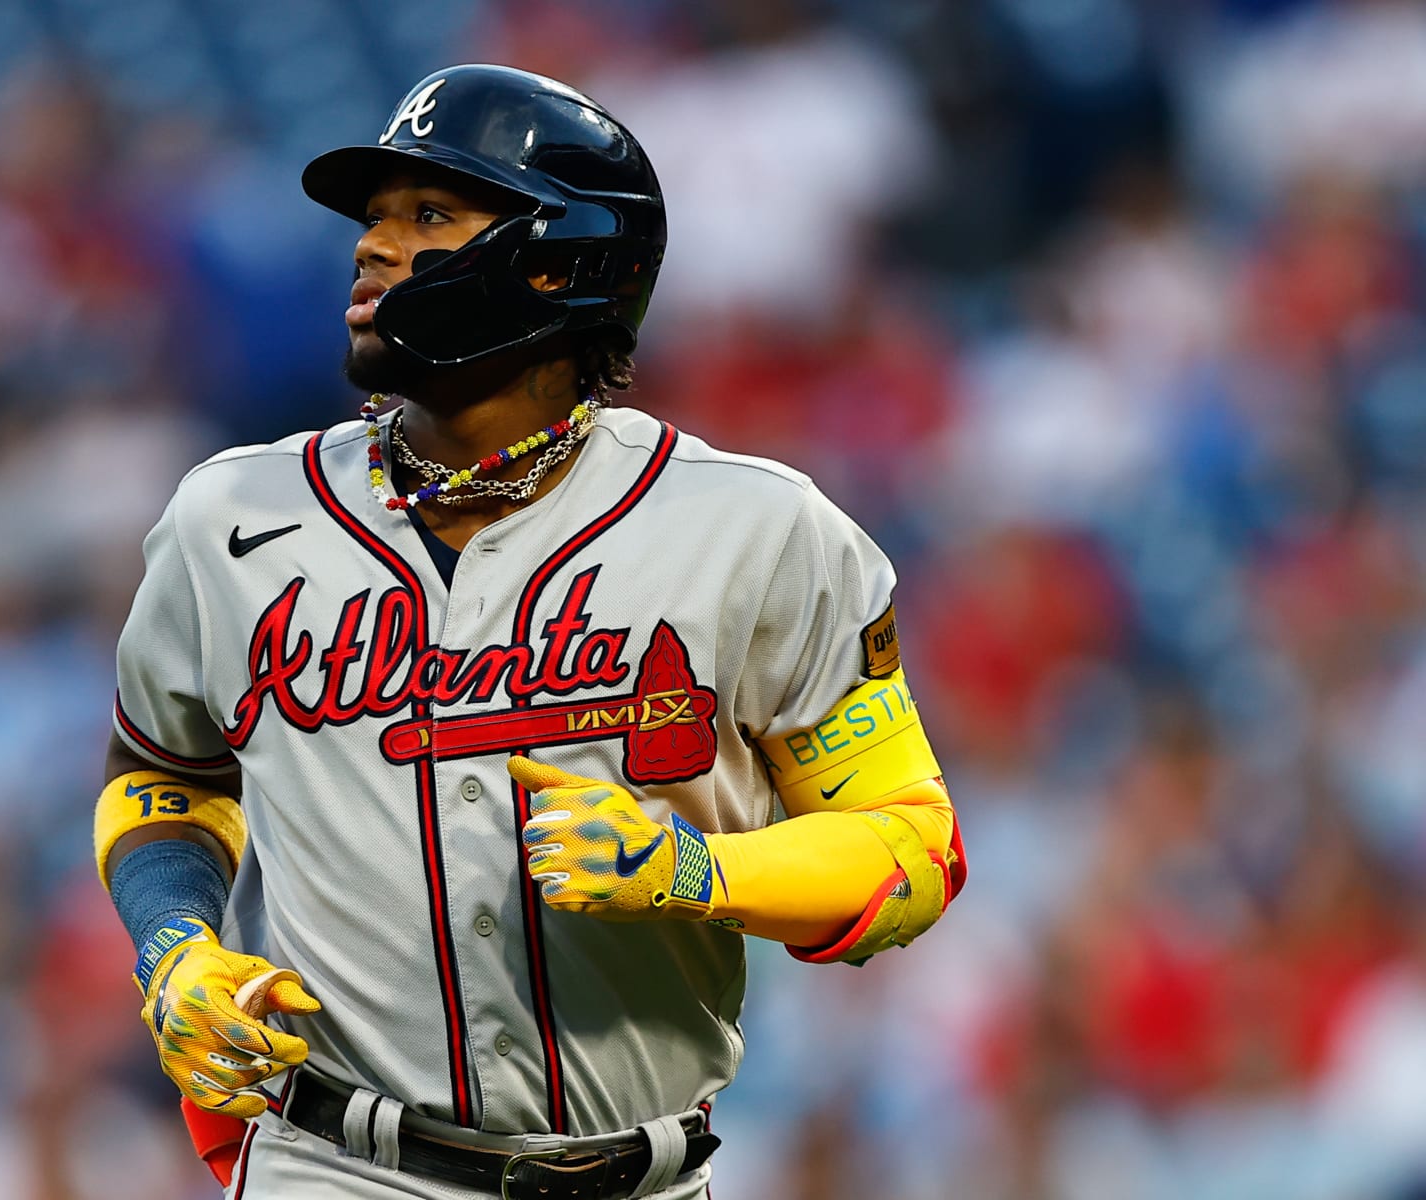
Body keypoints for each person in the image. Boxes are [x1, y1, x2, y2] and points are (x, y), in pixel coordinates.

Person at [95, 64, 968, 1200]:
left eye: (430, 215)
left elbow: (911, 848)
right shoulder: (231, 520)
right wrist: (177, 952)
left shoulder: (757, 529)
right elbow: (160, 780)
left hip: (638, 1174)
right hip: (337, 1165)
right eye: (374, 220)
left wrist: (694, 868)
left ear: (563, 259)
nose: (372, 248)